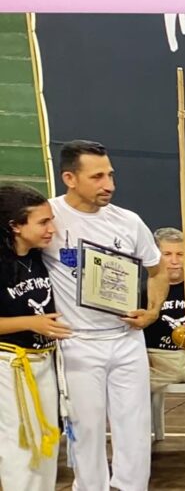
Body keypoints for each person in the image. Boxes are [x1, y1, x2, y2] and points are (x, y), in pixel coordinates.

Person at [42, 140, 168, 491]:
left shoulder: (129, 222)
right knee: (87, 430)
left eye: (110, 175)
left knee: (135, 428)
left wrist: (153, 311)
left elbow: (157, 271)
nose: (109, 185)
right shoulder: (48, 217)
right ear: (69, 177)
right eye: (97, 177)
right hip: (77, 342)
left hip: (127, 340)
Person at [0, 183, 67, 490]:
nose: (51, 228)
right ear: (15, 225)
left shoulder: (40, 258)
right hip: (10, 364)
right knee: (20, 446)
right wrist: (31, 322)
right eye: (42, 222)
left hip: (44, 361)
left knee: (47, 441)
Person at [143, 227, 185, 391]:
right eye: (167, 254)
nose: (174, 261)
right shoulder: (143, 291)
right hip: (157, 359)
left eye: (180, 254)